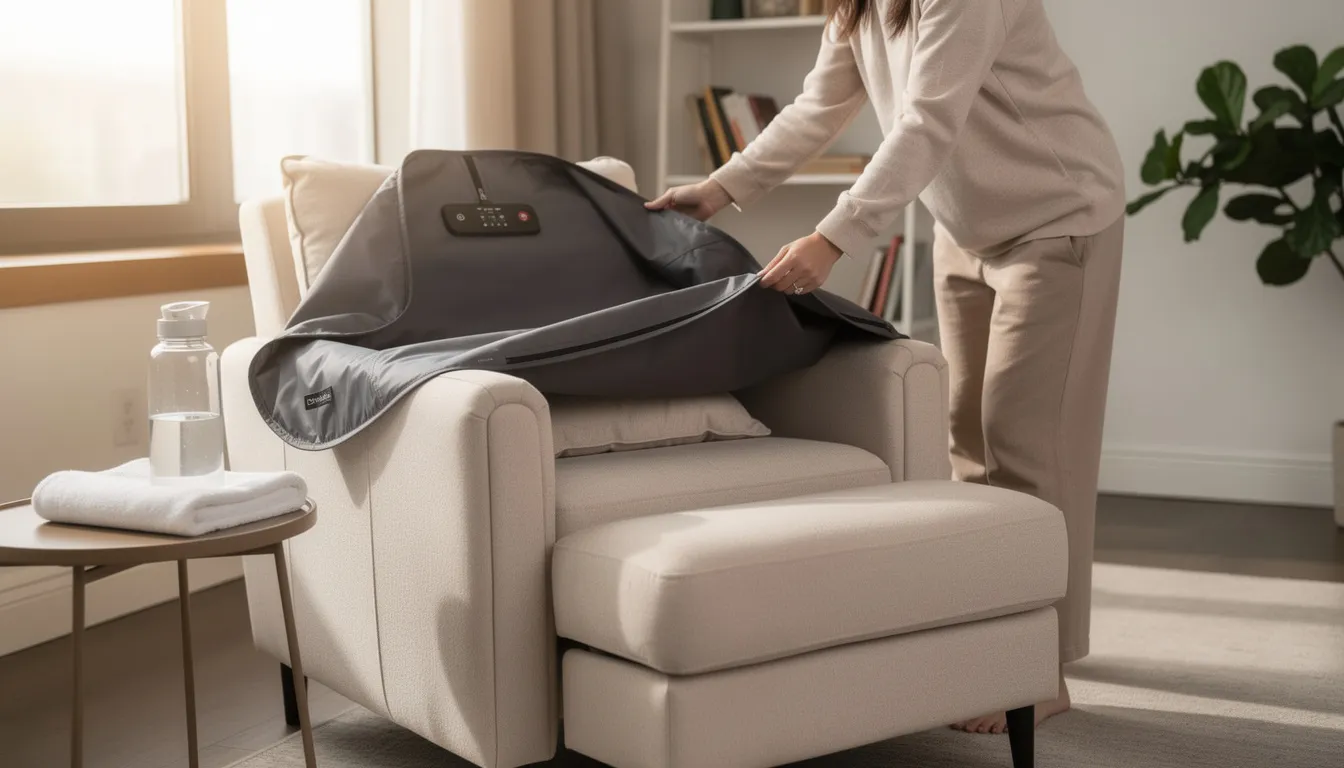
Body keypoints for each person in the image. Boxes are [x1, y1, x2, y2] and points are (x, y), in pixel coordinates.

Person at [647, 0, 1125, 735]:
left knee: (1028, 446)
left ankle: (1040, 670)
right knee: (967, 443)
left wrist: (833, 237)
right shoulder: (859, 5)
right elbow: (819, 106)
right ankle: (1000, 642)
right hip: (965, 230)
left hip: (1058, 221)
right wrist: (720, 189)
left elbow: (927, 122)